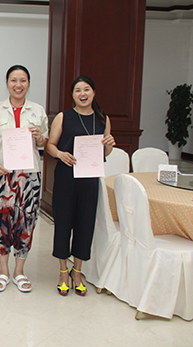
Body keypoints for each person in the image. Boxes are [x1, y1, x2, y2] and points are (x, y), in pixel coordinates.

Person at [46, 76, 115, 296]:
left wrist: (110, 145)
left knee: (85, 224)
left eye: (86, 90)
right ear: (73, 95)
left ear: (93, 92)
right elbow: (50, 145)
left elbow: (105, 152)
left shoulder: (103, 119)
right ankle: (63, 272)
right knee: (63, 223)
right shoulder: (63, 117)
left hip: (90, 178)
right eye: (78, 90)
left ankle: (77, 272)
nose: (82, 94)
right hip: (66, 176)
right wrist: (60, 154)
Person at [0, 65, 48, 293]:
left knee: (26, 222)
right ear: (7, 83)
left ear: (28, 83)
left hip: (29, 176)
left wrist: (39, 137)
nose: (18, 85)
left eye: (23, 80)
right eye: (13, 80)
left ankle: (19, 271)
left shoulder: (37, 110)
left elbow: (44, 143)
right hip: (2, 175)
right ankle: (3, 271)